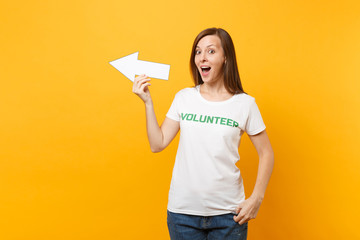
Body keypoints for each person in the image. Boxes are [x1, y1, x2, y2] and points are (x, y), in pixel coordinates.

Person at [132, 27, 274, 240]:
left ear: (226, 58)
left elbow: (267, 153)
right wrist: (148, 103)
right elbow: (157, 143)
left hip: (229, 216)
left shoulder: (245, 104)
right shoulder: (184, 97)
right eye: (198, 52)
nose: (202, 58)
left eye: (210, 51)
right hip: (183, 215)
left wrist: (256, 198)